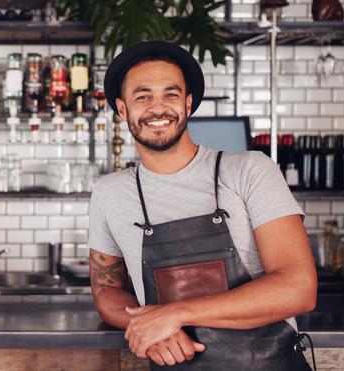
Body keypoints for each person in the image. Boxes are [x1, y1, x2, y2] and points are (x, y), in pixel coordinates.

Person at [87, 41, 317, 370]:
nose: (158, 108)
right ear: (123, 110)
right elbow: (107, 293)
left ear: (188, 103)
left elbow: (299, 289)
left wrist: (172, 316)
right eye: (143, 96)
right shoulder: (110, 193)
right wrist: (149, 327)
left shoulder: (250, 170)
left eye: (170, 93)